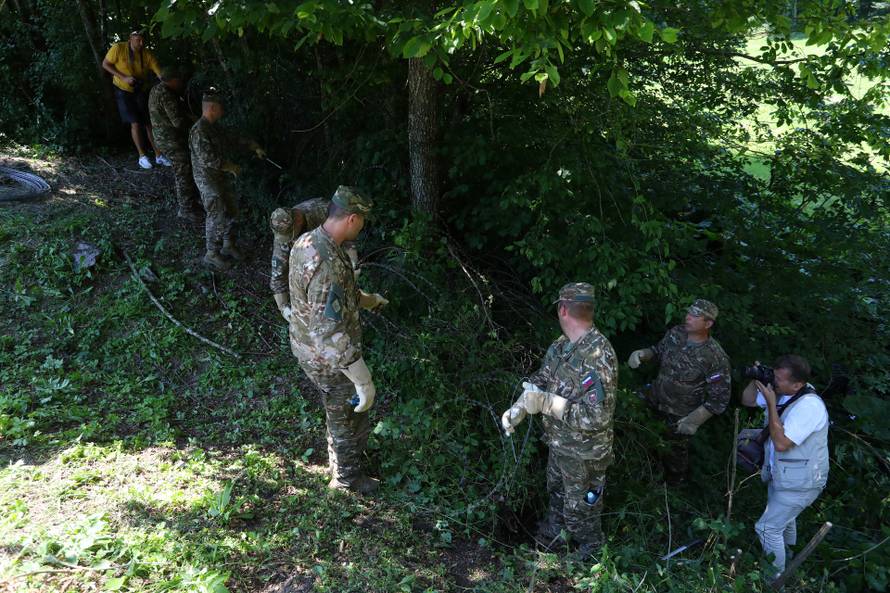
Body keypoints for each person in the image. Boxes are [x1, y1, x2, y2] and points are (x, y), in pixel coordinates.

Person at [501, 283, 618, 558]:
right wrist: (519, 407)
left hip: (585, 453)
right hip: (559, 442)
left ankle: (590, 558)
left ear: (563, 309)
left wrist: (545, 403)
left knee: (581, 513)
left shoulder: (599, 357)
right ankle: (552, 542)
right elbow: (542, 379)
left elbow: (597, 417)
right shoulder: (562, 345)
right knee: (556, 494)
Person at [287, 187, 388, 493]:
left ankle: (344, 465)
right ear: (352, 219)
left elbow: (337, 297)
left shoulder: (310, 241)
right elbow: (327, 331)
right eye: (362, 222)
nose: (362, 227)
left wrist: (368, 301)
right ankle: (346, 480)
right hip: (325, 355)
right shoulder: (326, 262)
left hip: (310, 345)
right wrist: (363, 379)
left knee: (341, 408)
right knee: (347, 412)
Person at [741, 355, 829, 576]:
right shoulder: (785, 391)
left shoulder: (809, 406)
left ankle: (775, 580)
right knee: (785, 521)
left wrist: (771, 403)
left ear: (797, 385)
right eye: (774, 375)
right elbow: (748, 400)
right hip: (785, 475)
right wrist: (756, 379)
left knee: (767, 528)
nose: (775, 382)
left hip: (801, 482)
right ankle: (788, 557)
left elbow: (781, 443)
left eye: (779, 379)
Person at [627, 298, 730, 483]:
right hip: (654, 398)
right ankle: (635, 471)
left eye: (695, 315)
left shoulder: (714, 356)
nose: (688, 317)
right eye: (689, 312)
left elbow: (719, 398)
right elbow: (657, 350)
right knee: (630, 422)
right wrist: (642, 354)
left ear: (708, 323)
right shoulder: (677, 333)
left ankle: (672, 492)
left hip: (679, 416)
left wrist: (695, 420)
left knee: (673, 457)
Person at [188, 90, 265, 270]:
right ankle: (211, 253)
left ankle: (228, 245)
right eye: (221, 107)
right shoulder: (199, 131)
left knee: (232, 209)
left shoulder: (214, 127)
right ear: (212, 108)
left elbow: (231, 139)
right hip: (207, 179)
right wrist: (231, 167)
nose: (223, 111)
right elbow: (208, 159)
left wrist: (253, 146)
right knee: (216, 213)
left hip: (221, 177)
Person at [269, 198, 365, 321]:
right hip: (309, 265)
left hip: (334, 252)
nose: (289, 239)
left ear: (298, 220)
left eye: (291, 235)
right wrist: (285, 310)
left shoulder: (322, 210)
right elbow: (278, 276)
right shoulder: (283, 236)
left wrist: (352, 264)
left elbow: (347, 233)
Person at [102, 30, 167, 170]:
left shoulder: (146, 54)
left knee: (148, 122)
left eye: (143, 40)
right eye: (138, 40)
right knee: (135, 123)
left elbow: (158, 71)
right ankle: (142, 156)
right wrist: (123, 77)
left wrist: (166, 81)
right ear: (131, 38)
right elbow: (105, 64)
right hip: (122, 90)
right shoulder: (118, 48)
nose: (141, 43)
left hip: (139, 90)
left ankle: (159, 155)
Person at [148, 68, 202, 222]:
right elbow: (178, 122)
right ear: (173, 80)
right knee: (183, 172)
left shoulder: (156, 89)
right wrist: (196, 125)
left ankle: (191, 201)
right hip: (171, 140)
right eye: (179, 80)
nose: (181, 83)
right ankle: (186, 209)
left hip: (164, 138)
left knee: (185, 170)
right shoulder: (166, 94)